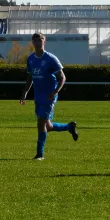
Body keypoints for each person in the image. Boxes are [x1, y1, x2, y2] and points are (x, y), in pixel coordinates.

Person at [20, 33, 78, 161]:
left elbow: (62, 77)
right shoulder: (30, 59)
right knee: (48, 126)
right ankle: (69, 127)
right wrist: (25, 92)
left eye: (40, 39)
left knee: (40, 123)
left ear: (44, 41)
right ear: (32, 43)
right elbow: (30, 77)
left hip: (49, 96)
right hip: (38, 96)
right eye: (35, 40)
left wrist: (55, 91)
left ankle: (40, 154)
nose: (38, 42)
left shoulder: (51, 58)